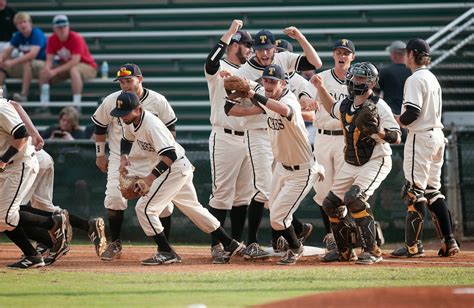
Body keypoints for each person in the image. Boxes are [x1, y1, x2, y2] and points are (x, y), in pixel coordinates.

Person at [111, 91, 244, 265]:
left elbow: (170, 155)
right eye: (120, 114)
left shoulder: (151, 125)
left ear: (138, 109)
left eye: (125, 113)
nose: (122, 117)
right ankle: (229, 243)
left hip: (173, 168)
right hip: (178, 168)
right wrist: (123, 157)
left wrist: (149, 179)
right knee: (194, 209)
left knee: (144, 209)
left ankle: (166, 252)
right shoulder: (130, 120)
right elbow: (127, 139)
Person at [233, 28, 322, 257]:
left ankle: (285, 237)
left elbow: (314, 66)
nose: (264, 53)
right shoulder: (246, 72)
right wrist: (257, 104)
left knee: (275, 193)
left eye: (268, 49)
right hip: (259, 131)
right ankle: (259, 241)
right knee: (266, 189)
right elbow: (228, 106)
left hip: (281, 132)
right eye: (260, 49)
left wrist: (301, 37)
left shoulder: (284, 66)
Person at [312, 62, 401, 265]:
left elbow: (397, 137)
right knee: (330, 204)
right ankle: (344, 251)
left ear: (372, 83)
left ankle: (372, 250)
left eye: (362, 78)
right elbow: (331, 107)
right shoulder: (346, 104)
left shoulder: (379, 105)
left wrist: (377, 131)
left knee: (354, 198)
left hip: (376, 159)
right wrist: (320, 87)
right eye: (354, 77)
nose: (356, 81)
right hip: (351, 161)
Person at [91, 63, 176, 262]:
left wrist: (166, 156)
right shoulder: (112, 100)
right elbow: (100, 127)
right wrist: (100, 155)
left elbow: (171, 129)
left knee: (163, 206)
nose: (125, 85)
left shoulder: (157, 100)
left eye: (129, 80)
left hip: (151, 159)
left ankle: (164, 247)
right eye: (121, 81)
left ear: (140, 79)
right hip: (122, 159)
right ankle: (116, 242)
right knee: (114, 198)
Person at [390, 38, 460, 258]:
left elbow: (411, 114)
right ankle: (449, 241)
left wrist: (393, 118)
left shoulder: (415, 79)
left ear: (411, 54)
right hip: (437, 136)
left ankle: (413, 246)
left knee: (413, 192)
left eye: (406, 53)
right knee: (432, 191)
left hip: (421, 137)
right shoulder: (431, 77)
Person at [204, 20, 254, 261]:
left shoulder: (249, 70)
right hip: (224, 136)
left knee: (243, 196)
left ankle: (236, 244)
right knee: (222, 194)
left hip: (248, 137)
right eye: (246, 45)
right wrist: (231, 32)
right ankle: (217, 246)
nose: (250, 50)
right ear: (234, 45)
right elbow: (211, 61)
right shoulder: (219, 66)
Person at [0, 97, 68, 268]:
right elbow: (15, 105)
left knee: (4, 217)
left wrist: (3, 160)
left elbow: (22, 134)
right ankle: (36, 251)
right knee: (5, 215)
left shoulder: (1, 108)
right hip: (10, 166)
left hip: (17, 165)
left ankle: (51, 224)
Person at [311, 39, 357, 262]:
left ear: (352, 57)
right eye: (339, 52)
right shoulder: (322, 78)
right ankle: (332, 236)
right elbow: (308, 103)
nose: (342, 55)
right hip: (322, 137)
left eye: (346, 53)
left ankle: (346, 239)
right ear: (333, 55)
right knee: (322, 190)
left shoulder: (356, 80)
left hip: (345, 138)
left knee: (342, 190)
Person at [39, 15, 97, 108]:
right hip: (67, 66)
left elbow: (75, 61)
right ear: (54, 28)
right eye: (59, 27)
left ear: (68, 27)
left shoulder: (76, 38)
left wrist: (54, 71)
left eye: (64, 26)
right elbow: (49, 59)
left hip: (87, 66)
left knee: (74, 70)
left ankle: (77, 104)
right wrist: (47, 69)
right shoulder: (52, 39)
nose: (62, 29)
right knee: (43, 73)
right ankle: (44, 104)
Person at [0, 12, 47, 102]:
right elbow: (7, 52)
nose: (22, 25)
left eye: (24, 22)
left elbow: (32, 55)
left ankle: (24, 95)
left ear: (30, 23)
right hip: (26, 65)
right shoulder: (18, 36)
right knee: (2, 68)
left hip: (41, 64)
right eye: (19, 23)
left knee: (26, 62)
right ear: (16, 26)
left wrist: (12, 62)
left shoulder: (37, 33)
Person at [377, 40, 412, 142]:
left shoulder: (385, 71)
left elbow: (375, 92)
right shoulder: (412, 71)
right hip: (410, 116)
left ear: (393, 55)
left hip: (391, 117)